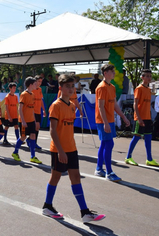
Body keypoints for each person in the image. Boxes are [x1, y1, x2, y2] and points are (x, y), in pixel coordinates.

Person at [42, 74, 105, 223]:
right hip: (59, 150)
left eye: (72, 86)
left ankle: (85, 212)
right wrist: (61, 151)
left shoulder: (71, 106)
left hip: (71, 148)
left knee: (75, 177)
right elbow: (53, 130)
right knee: (55, 177)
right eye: (67, 86)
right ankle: (47, 206)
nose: (71, 89)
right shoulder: (56, 106)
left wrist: (68, 150)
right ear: (60, 88)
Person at [94, 64, 130, 182]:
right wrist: (105, 123)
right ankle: (109, 172)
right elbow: (100, 107)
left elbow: (115, 105)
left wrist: (123, 117)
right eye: (112, 71)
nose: (114, 73)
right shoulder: (101, 87)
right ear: (105, 73)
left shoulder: (112, 87)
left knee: (105, 144)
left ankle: (99, 169)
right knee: (109, 144)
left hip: (109, 120)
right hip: (103, 120)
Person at [125, 69, 159, 166]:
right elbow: (135, 104)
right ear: (142, 77)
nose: (149, 78)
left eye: (150, 76)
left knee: (148, 137)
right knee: (136, 137)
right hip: (139, 118)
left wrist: (149, 117)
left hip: (147, 118)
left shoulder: (148, 90)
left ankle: (149, 159)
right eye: (146, 76)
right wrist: (139, 118)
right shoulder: (139, 88)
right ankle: (128, 157)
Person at [11, 77, 42, 164]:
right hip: (24, 121)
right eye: (35, 84)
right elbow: (20, 108)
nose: (36, 85)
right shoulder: (24, 94)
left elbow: (32, 109)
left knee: (33, 136)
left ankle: (33, 156)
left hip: (31, 120)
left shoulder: (32, 94)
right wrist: (23, 121)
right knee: (23, 137)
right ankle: (15, 152)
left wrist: (35, 121)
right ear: (31, 85)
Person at [27, 75, 46, 149]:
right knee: (35, 127)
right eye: (38, 81)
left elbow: (41, 100)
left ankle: (33, 141)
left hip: (38, 111)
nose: (39, 83)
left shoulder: (40, 89)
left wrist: (44, 110)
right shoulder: (32, 90)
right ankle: (31, 141)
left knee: (37, 128)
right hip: (32, 111)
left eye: (40, 81)